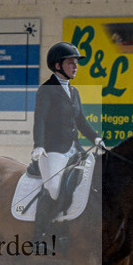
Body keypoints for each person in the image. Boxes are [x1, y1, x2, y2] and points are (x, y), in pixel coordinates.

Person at [31, 42, 105, 240]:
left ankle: (72, 227)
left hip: (75, 150)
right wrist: (38, 145)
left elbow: (81, 121)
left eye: (76, 63)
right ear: (57, 66)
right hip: (52, 151)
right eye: (71, 63)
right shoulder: (46, 90)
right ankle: (41, 234)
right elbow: (40, 120)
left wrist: (96, 138)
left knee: (91, 183)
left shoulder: (74, 92)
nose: (75, 66)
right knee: (54, 189)